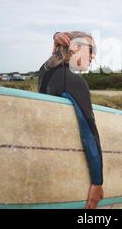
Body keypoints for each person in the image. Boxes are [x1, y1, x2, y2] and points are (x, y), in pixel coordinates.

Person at [38, 31, 104, 209]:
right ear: (75, 48)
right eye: (90, 49)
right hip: (69, 166)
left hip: (45, 162)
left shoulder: (45, 71)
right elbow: (89, 134)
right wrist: (97, 182)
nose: (93, 55)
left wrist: (56, 35)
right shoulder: (74, 81)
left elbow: (55, 56)